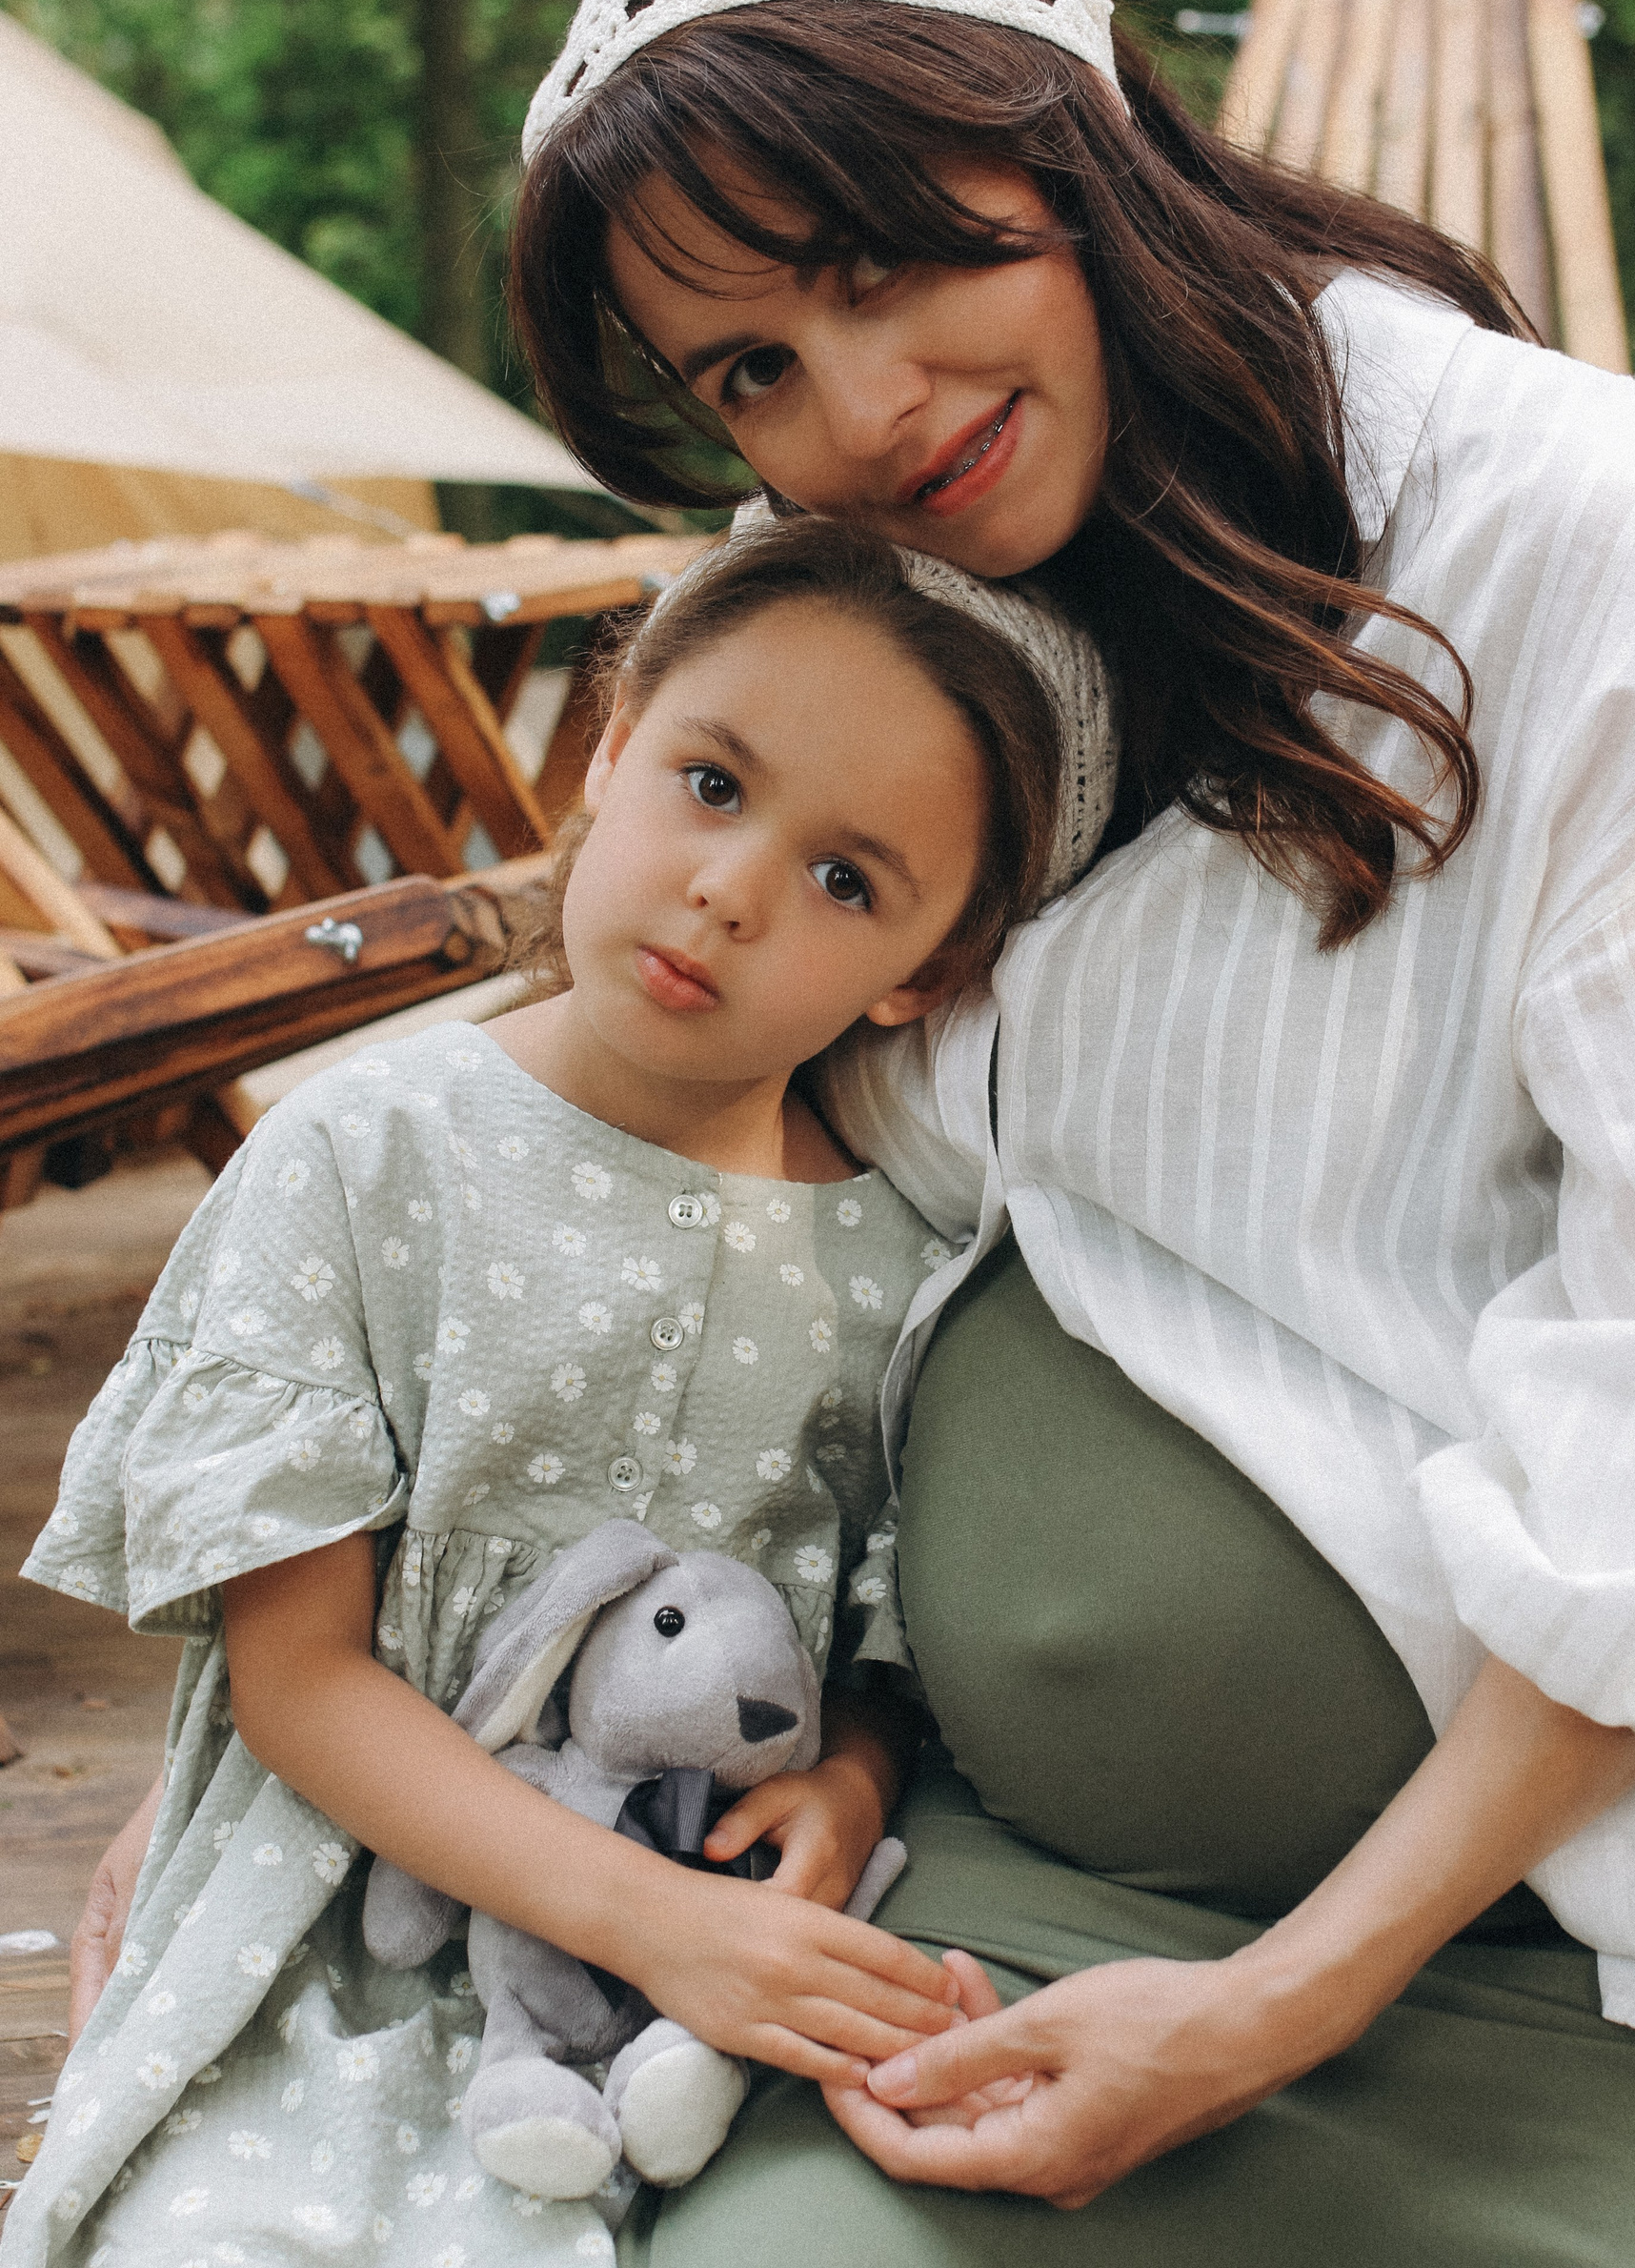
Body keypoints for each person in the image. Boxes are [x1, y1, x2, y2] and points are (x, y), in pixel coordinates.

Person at [515, 0, 1635, 2262]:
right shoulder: (863, 636)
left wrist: (1264, 2008)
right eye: (751, 370)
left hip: (1564, 1938)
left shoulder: (1588, 544)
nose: (864, 409)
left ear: (1072, 127)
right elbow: (707, 1182)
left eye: (884, 259)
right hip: (975, 1879)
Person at [2, 517, 1118, 2267]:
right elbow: (299, 1681)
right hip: (343, 1926)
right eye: (710, 783)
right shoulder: (362, 1158)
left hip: (719, 1958)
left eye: (847, 881)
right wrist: (656, 1927)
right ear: (609, 744)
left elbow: (882, 1644)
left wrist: (848, 1783)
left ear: (924, 972)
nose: (731, 888)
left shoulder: (899, 1265)